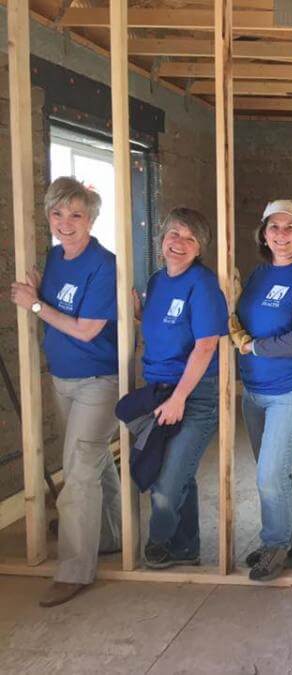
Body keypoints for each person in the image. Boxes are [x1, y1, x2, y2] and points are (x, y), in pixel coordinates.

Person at [10, 177, 120, 607]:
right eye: (57, 213)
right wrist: (38, 294)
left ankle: (75, 570)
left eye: (75, 214)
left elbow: (87, 330)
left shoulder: (103, 264)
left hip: (99, 380)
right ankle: (109, 537)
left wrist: (34, 304)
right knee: (94, 465)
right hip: (63, 378)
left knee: (76, 473)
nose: (65, 222)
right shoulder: (55, 258)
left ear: (91, 218)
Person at [230, 200, 292, 581]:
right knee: (275, 472)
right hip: (253, 390)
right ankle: (290, 539)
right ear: (263, 233)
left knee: (269, 474)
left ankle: (275, 545)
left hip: (291, 391)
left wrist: (253, 347)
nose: (281, 235)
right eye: (274, 227)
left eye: (290, 228)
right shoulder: (257, 275)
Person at [139, 208, 228, 569]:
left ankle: (158, 539)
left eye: (190, 238)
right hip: (158, 389)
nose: (180, 243)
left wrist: (179, 398)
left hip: (195, 394)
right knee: (178, 472)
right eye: (174, 233)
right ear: (162, 239)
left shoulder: (203, 284)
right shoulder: (157, 281)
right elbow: (164, 326)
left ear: (199, 248)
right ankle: (186, 545)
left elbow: (206, 345)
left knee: (167, 481)